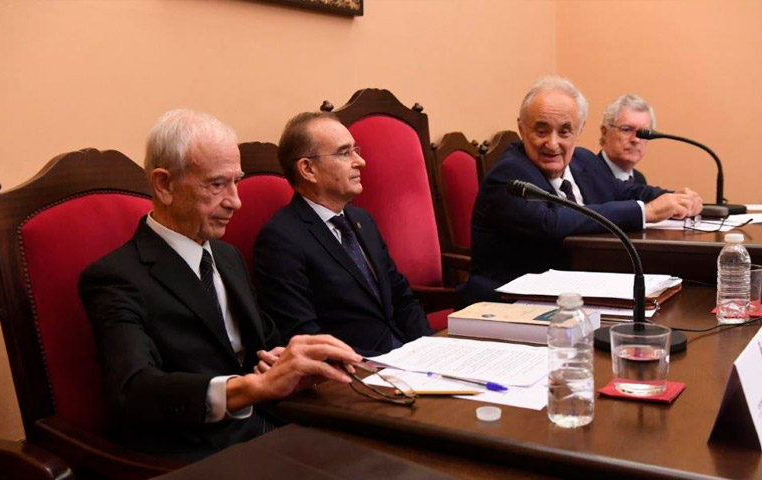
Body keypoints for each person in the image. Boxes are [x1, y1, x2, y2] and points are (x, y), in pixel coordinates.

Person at [79, 109, 361, 460]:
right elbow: (133, 388)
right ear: (164, 185)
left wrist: (288, 360)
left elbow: (265, 343)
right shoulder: (117, 277)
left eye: (236, 182)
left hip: (277, 424)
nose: (235, 202)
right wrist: (251, 387)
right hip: (198, 453)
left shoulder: (226, 256)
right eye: (216, 185)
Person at [466, 76, 703, 302]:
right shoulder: (509, 173)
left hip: (576, 288)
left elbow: (625, 191)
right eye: (541, 131)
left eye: (564, 131)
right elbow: (551, 221)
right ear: (522, 128)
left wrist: (677, 199)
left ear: (579, 131)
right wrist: (645, 212)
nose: (552, 144)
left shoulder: (584, 161)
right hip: (507, 300)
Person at [253, 112, 433, 357]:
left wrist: (431, 349)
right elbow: (306, 339)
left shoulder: (362, 220)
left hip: (407, 357)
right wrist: (376, 365)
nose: (360, 161)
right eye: (344, 153)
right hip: (356, 370)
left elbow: (402, 298)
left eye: (355, 150)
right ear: (308, 169)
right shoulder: (280, 240)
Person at [597, 93, 655, 184]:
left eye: (643, 133)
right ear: (605, 132)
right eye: (627, 130)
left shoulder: (639, 180)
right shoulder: (588, 175)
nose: (636, 139)